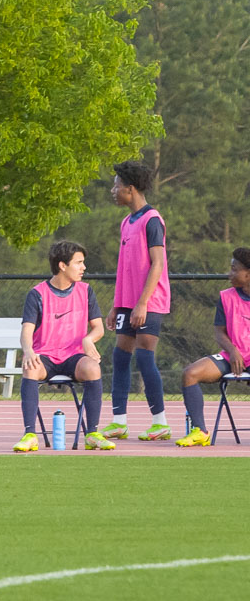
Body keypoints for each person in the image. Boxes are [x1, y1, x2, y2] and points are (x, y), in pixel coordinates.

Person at [12, 241, 114, 451]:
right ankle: (30, 434)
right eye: (79, 263)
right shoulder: (37, 294)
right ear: (62, 266)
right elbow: (26, 332)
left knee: (93, 368)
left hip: (73, 358)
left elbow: (99, 329)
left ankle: (92, 434)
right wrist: (29, 351)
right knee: (30, 367)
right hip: (46, 357)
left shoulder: (86, 291)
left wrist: (88, 339)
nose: (83, 268)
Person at [100, 161, 172, 441]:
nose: (113, 190)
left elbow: (157, 264)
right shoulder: (125, 222)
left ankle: (160, 422)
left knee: (144, 356)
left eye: (116, 185)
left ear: (130, 189)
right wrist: (117, 304)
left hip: (149, 301)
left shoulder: (152, 219)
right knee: (120, 357)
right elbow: (123, 267)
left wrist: (142, 303)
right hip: (127, 302)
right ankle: (119, 421)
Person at [173, 247, 250, 448]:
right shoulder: (226, 297)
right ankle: (200, 431)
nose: (229, 274)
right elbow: (219, 332)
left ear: (248, 274)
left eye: (234, 269)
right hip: (232, 355)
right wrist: (233, 351)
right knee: (190, 373)